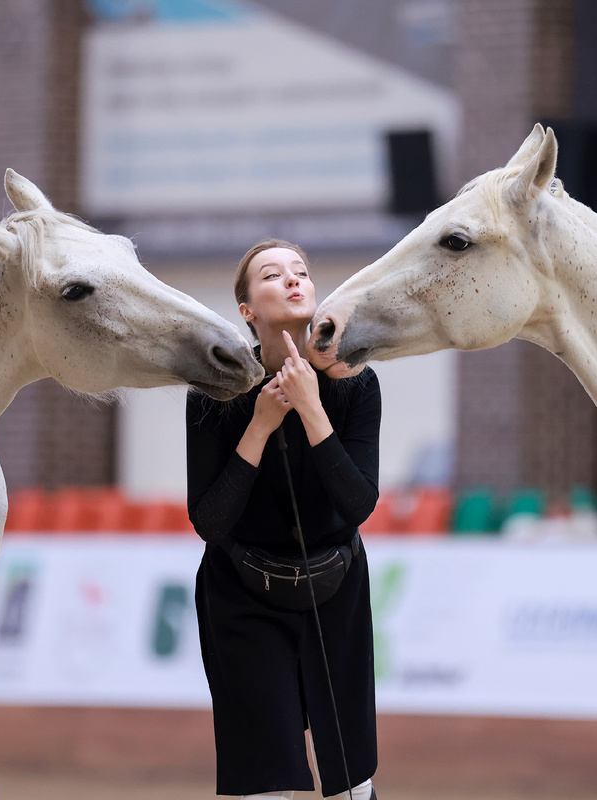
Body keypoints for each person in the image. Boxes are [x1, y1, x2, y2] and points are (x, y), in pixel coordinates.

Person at [186, 239, 382, 799]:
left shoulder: (356, 383)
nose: (294, 281)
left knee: (352, 782)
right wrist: (262, 422)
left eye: (301, 272)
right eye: (272, 276)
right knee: (265, 782)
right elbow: (211, 520)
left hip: (337, 589)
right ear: (247, 310)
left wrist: (311, 407)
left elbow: (358, 505)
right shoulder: (213, 390)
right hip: (242, 595)